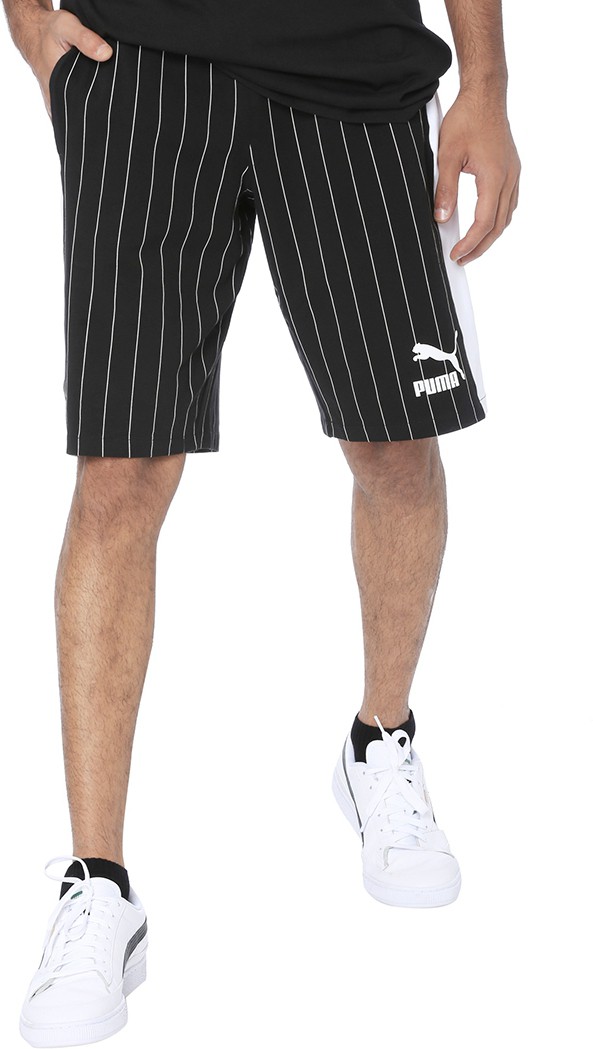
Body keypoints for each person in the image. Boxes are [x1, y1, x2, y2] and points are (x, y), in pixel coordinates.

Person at [2, 0, 520, 1044]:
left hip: (355, 70)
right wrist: (22, 15)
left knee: (394, 446)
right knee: (119, 473)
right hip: (141, 64)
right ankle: (97, 881)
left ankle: (378, 742)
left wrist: (486, 82)